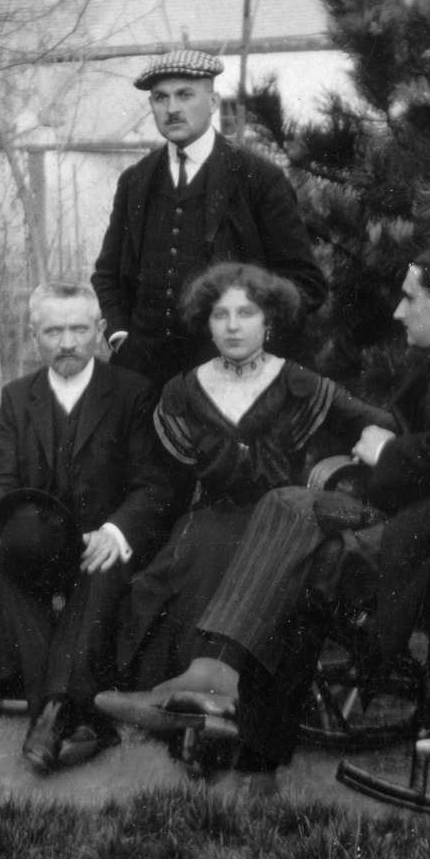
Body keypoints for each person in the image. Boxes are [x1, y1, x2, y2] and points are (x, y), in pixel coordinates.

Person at [102, 247, 430, 793]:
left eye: (408, 298)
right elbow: (407, 435)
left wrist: (386, 452)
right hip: (428, 516)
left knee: (304, 561)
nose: (398, 312)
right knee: (286, 507)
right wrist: (381, 450)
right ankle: (221, 697)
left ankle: (241, 735)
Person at [111, 262, 395, 714]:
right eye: (220, 315)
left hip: (283, 523)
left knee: (228, 545)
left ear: (269, 321)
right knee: (199, 548)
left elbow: (380, 425)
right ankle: (184, 700)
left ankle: (217, 697)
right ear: (207, 321)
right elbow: (162, 478)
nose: (233, 326)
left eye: (246, 313)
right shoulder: (183, 391)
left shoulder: (300, 383)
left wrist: (363, 452)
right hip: (208, 516)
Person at [0, 282, 177, 774]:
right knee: (5, 562)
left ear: (100, 331)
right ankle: (81, 718)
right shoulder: (17, 396)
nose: (66, 342)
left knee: (102, 565)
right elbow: (0, 477)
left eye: (78, 328)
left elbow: (152, 485)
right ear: (33, 335)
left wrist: (116, 531)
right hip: (39, 543)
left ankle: (50, 713)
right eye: (52, 330)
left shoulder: (132, 392)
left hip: (99, 542)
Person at [91, 49, 327, 388]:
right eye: (160, 98)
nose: (172, 108)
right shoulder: (135, 181)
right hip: (142, 381)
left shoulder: (258, 178)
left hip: (231, 383)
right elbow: (107, 275)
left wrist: (250, 343)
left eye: (185, 95)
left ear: (214, 101)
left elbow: (306, 284)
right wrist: (119, 336)